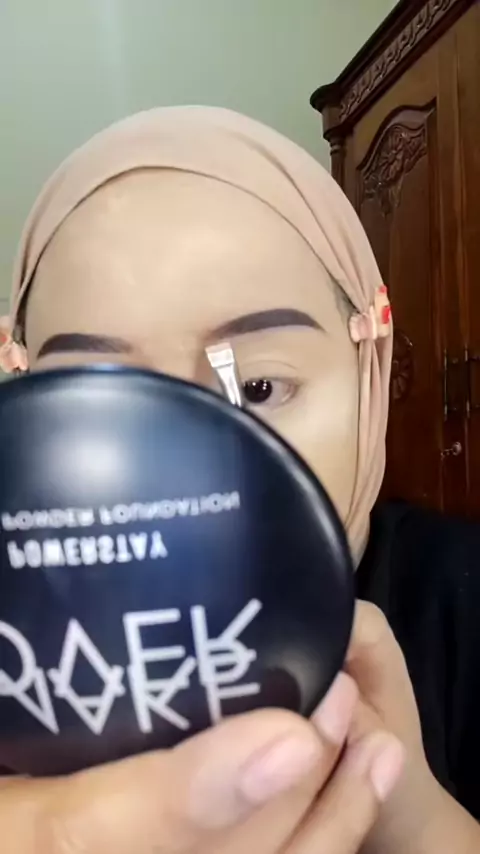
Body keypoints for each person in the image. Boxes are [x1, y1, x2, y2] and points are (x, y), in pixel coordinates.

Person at [0, 106, 478, 853]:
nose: (179, 471)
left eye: (256, 389)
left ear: (369, 366)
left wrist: (412, 818)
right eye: (105, 409)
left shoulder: (464, 596)